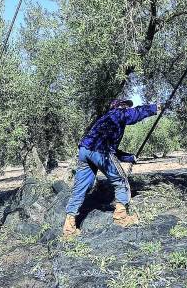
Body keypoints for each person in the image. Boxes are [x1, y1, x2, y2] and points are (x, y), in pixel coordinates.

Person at [62, 99, 161, 238]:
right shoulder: (118, 113)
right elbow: (136, 113)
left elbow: (108, 149)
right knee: (121, 181)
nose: (127, 108)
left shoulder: (104, 120)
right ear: (119, 106)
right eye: (126, 105)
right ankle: (121, 218)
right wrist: (155, 108)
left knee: (81, 187)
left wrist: (129, 157)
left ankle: (69, 228)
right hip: (100, 151)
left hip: (84, 150)